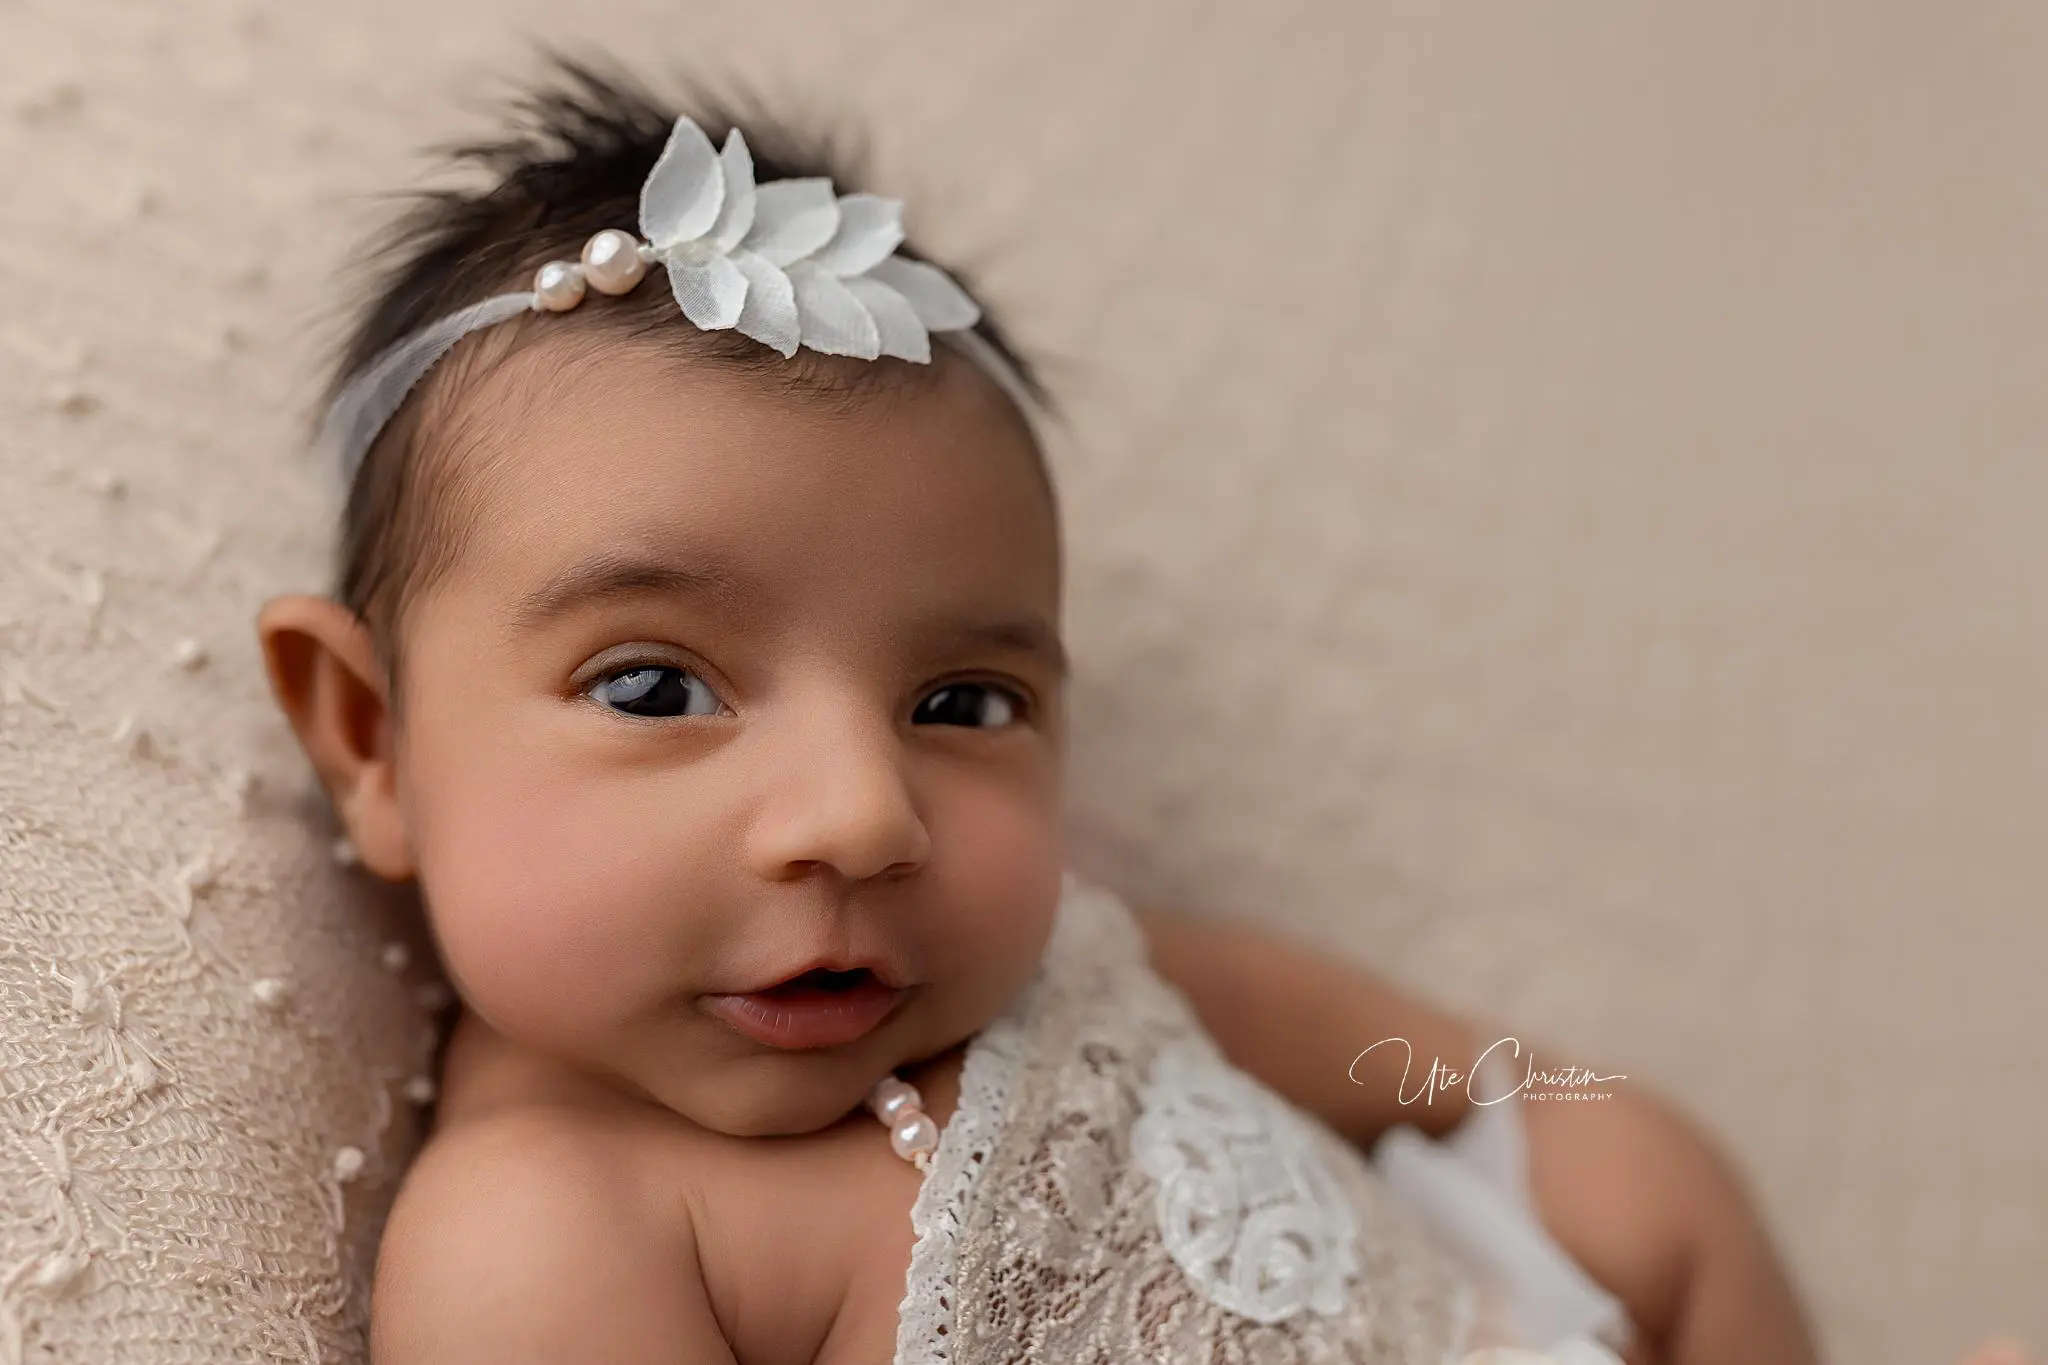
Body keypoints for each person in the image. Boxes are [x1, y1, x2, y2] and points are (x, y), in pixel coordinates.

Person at [254, 57, 2029, 1365]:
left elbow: (1436, 1061)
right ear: (369, 736)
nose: (862, 815)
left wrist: (1539, 1102)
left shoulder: (1085, 968)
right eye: (656, 686)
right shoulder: (551, 1234)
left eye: (964, 697)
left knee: (1642, 1160)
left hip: (1493, 1321)